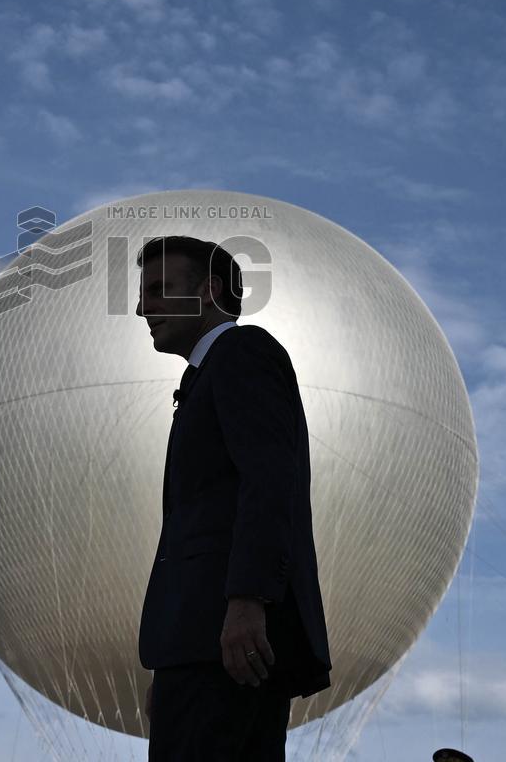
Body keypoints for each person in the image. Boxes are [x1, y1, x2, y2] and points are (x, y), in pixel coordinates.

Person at [136, 235, 331, 761]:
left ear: (208, 291)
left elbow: (268, 481)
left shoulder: (243, 353)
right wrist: (173, 662)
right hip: (201, 645)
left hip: (226, 642)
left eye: (158, 290)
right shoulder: (206, 376)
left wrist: (248, 602)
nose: (140, 308)